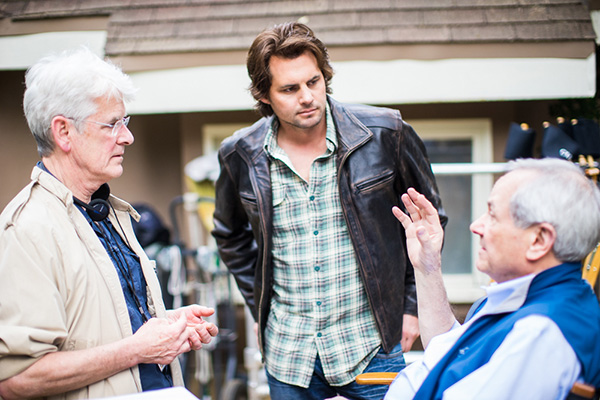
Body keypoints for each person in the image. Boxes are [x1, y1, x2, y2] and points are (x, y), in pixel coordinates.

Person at [211, 22, 446, 400]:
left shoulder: (386, 133)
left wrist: (411, 306)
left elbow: (429, 223)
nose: (307, 97)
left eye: (313, 82)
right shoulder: (239, 154)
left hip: (371, 344)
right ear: (264, 95)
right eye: (289, 89)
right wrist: (262, 305)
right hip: (290, 353)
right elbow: (229, 235)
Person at [0, 47, 218, 399]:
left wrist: (167, 324)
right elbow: (15, 379)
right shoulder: (25, 231)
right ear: (64, 132)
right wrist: (138, 349)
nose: (127, 136)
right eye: (111, 124)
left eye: (125, 122)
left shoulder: (106, 212)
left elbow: (103, 326)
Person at [385, 158, 600, 399]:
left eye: (492, 215)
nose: (475, 226)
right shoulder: (528, 297)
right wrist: (427, 266)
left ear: (539, 241)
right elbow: (449, 352)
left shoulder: (539, 332)